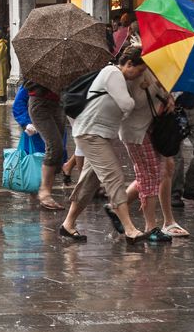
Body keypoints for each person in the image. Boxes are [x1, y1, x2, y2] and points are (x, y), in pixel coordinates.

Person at [59, 47, 149, 244]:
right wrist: (140, 88)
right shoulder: (112, 73)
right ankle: (129, 228)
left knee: (89, 181)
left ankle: (68, 224)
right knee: (114, 176)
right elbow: (126, 105)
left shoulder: (122, 78)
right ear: (129, 63)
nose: (139, 76)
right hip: (91, 133)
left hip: (98, 134)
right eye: (139, 71)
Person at [117, 71, 176, 244]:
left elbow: (156, 101)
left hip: (147, 130)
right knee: (148, 176)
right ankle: (150, 227)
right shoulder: (135, 76)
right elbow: (134, 104)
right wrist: (155, 90)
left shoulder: (154, 72)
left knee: (153, 174)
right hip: (136, 132)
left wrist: (167, 97)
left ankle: (118, 208)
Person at [26, 79, 68, 210]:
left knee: (59, 149)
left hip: (57, 104)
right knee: (55, 146)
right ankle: (44, 192)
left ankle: (47, 189)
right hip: (40, 105)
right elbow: (27, 87)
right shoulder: (40, 68)